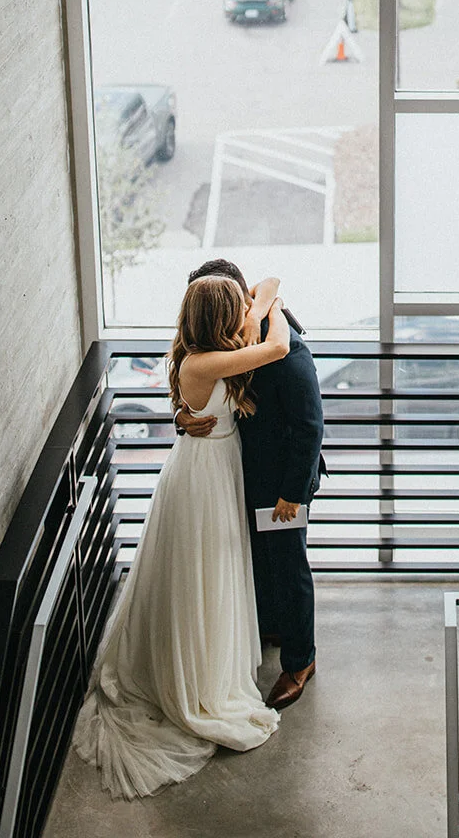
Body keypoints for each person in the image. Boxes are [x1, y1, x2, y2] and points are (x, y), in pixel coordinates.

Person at [73, 274, 289, 799]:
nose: (246, 311)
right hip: (203, 479)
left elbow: (267, 282)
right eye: (235, 308)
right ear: (220, 319)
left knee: (212, 572)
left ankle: (207, 659)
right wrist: (274, 307)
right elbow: (277, 343)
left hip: (211, 466)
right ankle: (196, 679)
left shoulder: (203, 352)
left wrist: (262, 298)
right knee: (204, 573)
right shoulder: (201, 364)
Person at [178, 258, 325, 710]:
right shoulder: (224, 337)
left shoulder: (288, 349)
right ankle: (270, 625)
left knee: (287, 565)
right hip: (233, 474)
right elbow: (204, 388)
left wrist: (292, 495)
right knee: (256, 560)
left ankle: (300, 661)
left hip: (282, 482)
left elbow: (309, 427)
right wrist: (185, 418)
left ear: (243, 301)